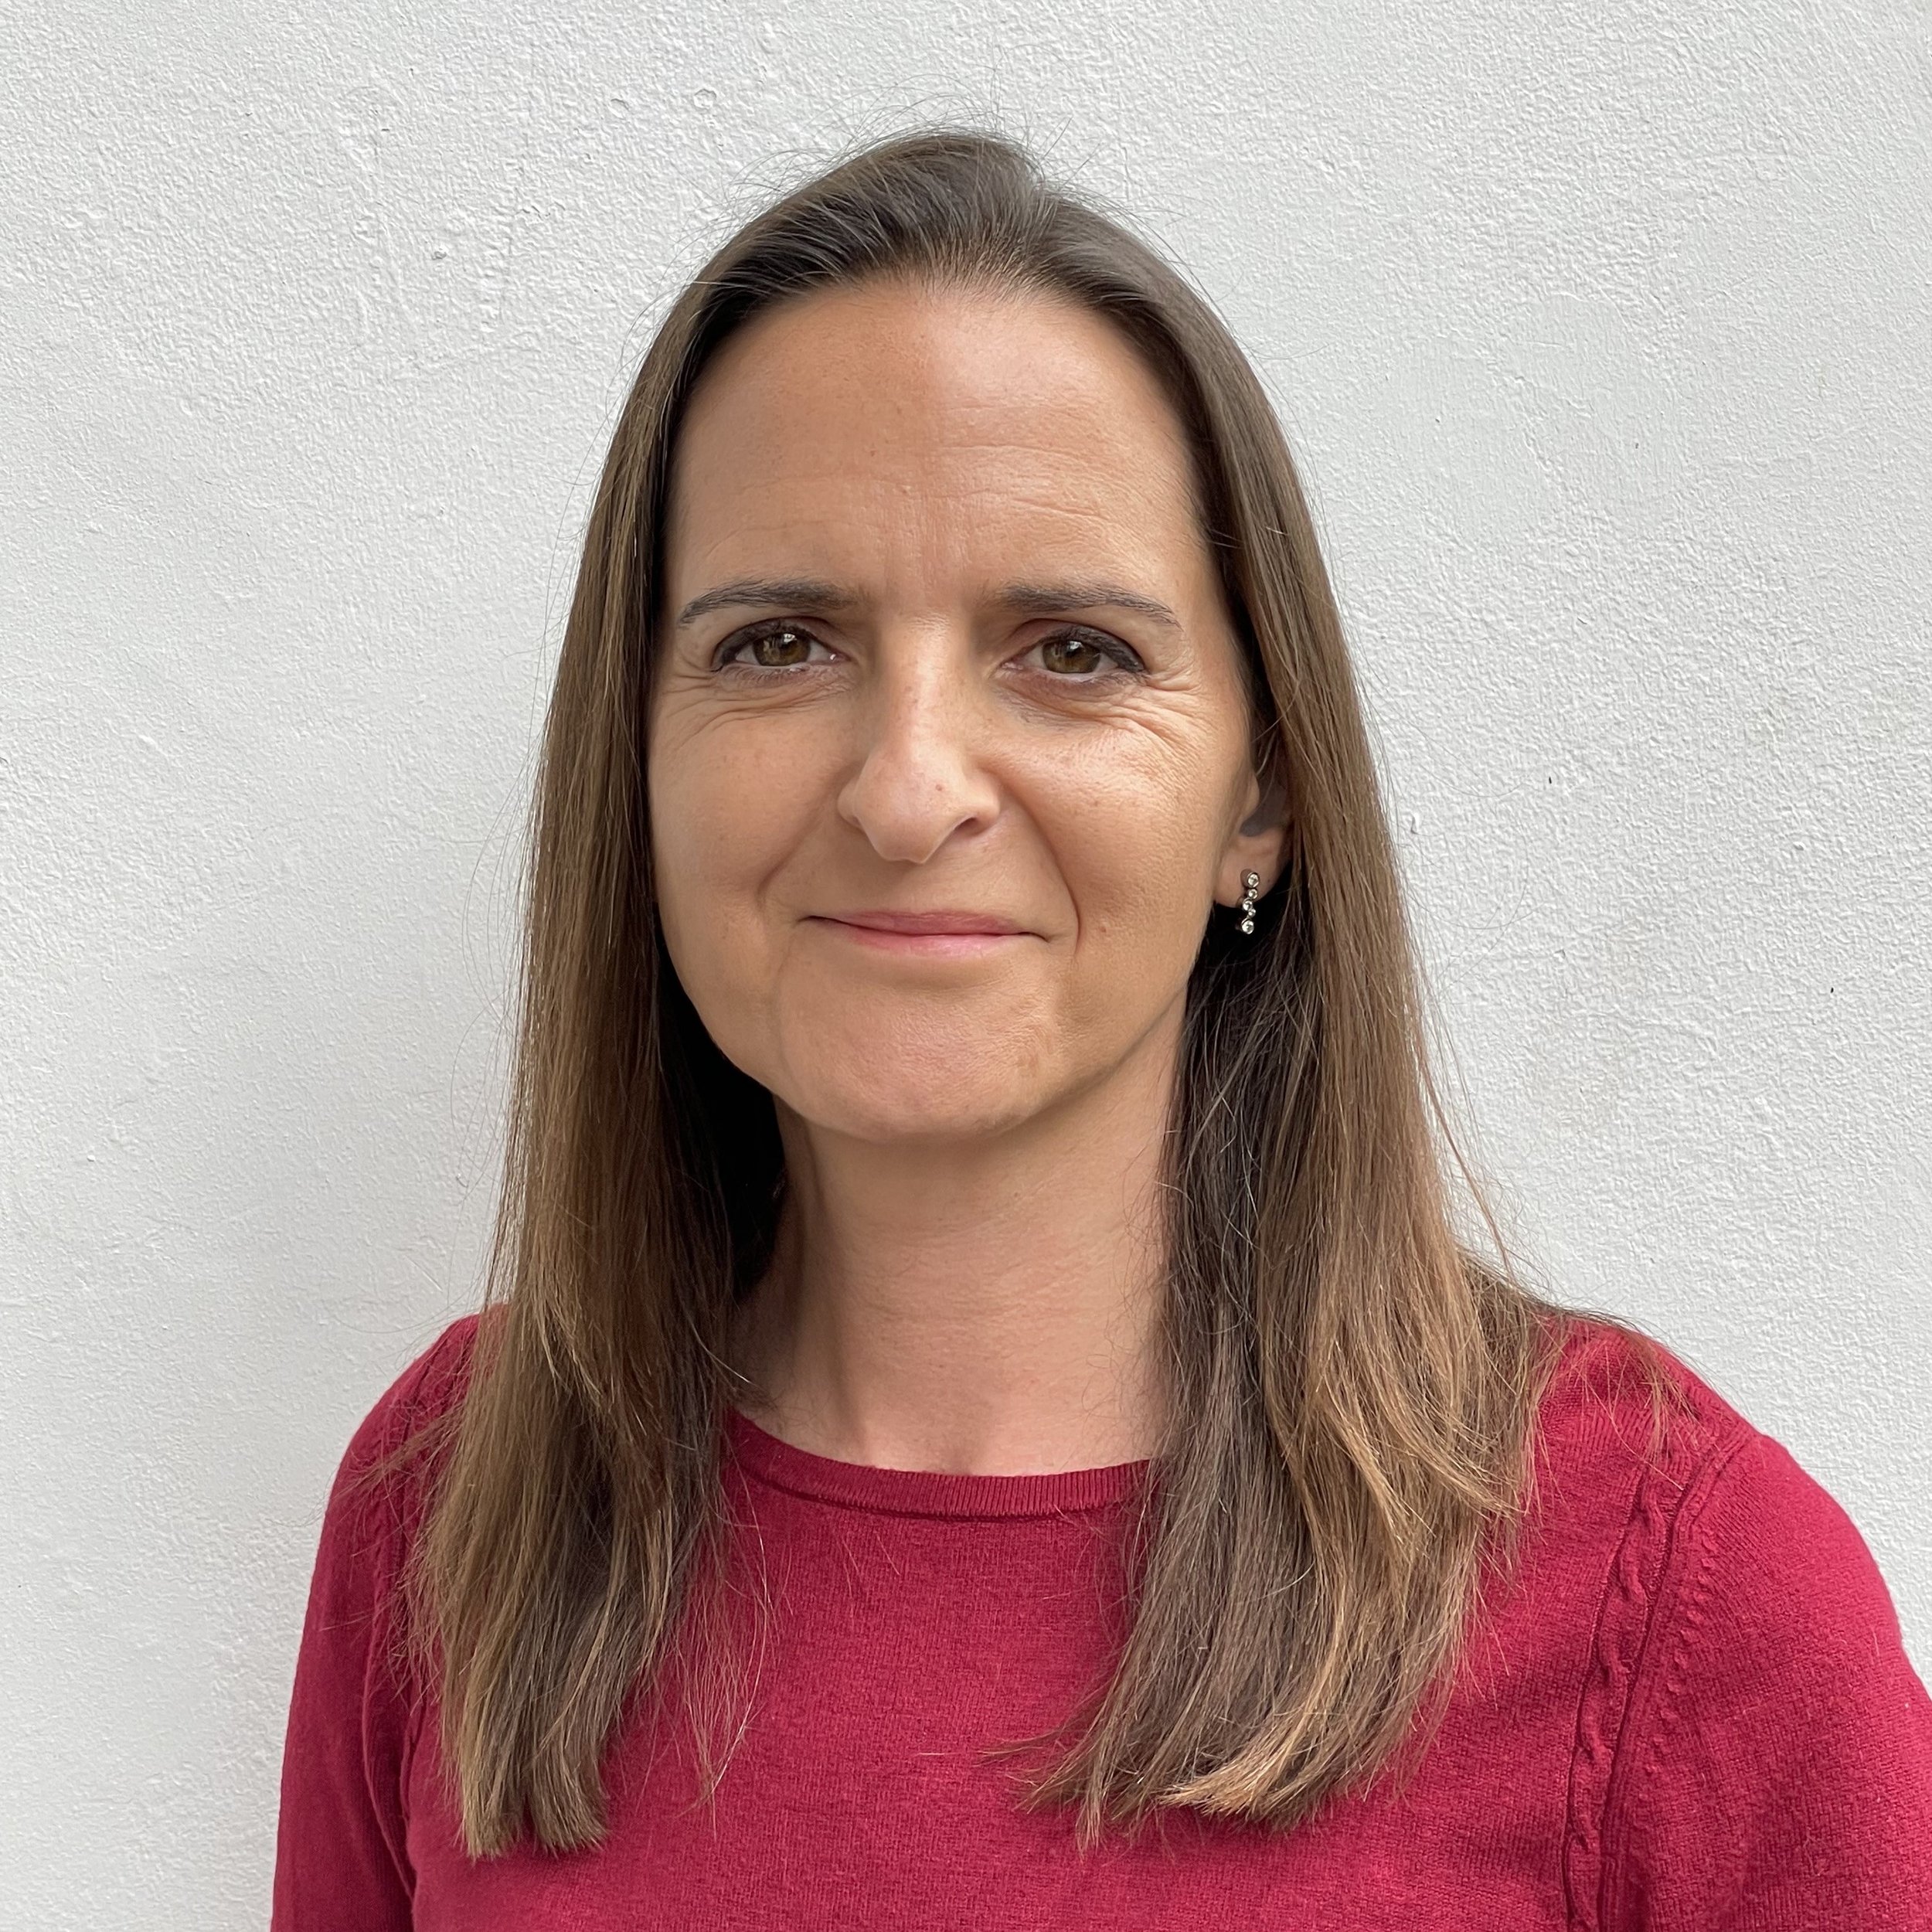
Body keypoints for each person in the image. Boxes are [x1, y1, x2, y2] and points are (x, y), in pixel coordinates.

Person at [271, 128, 1932, 1930]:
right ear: (639, 755)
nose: (906, 790)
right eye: (777, 642)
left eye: (1068, 649)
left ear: (1259, 794)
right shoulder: (462, 1502)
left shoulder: (1669, 1580)